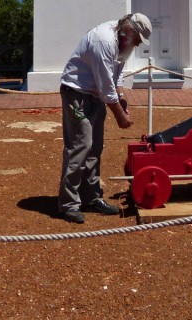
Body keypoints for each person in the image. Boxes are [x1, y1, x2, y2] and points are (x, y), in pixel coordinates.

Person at [58, 12, 153, 224]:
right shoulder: (104, 40)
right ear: (129, 30)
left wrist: (122, 97)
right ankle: (68, 204)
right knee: (80, 146)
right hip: (77, 93)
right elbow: (105, 85)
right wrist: (119, 114)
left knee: (95, 148)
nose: (136, 45)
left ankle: (91, 198)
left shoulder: (122, 42)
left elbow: (116, 73)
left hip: (94, 96)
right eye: (137, 40)